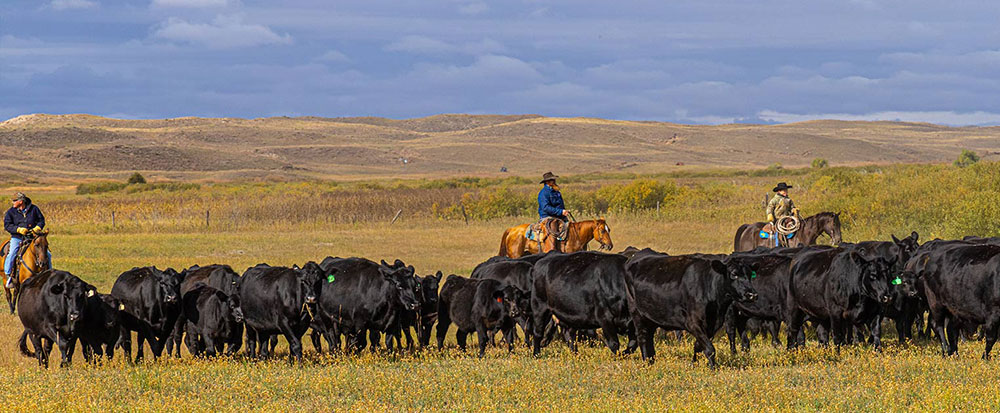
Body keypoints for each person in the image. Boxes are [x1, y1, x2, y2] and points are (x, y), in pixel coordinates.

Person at [4, 192, 47, 288]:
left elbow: (41, 220)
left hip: (32, 237)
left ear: (21, 201)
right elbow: (7, 225)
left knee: (47, 253)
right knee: (12, 254)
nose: (13, 202)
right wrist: (18, 229)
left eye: (15, 200)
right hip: (17, 237)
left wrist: (37, 228)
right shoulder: (11, 212)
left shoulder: (34, 209)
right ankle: (9, 276)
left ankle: (49, 274)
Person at [536, 172, 570, 243]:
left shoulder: (556, 192)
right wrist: (561, 212)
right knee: (553, 232)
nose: (554, 181)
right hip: (548, 217)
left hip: (559, 217)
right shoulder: (543, 193)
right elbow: (545, 207)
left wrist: (564, 212)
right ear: (547, 182)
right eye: (552, 180)